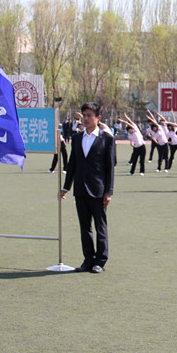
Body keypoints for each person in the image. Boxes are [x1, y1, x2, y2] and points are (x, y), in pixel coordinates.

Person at [61, 102, 116, 274]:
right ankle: (88, 260)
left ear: (98, 118)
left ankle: (100, 261)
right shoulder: (77, 138)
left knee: (100, 226)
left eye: (89, 115)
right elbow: (72, 164)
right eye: (84, 115)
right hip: (80, 189)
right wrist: (66, 187)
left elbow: (110, 167)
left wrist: (109, 192)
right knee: (84, 227)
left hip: (98, 190)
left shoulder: (107, 139)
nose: (85, 119)